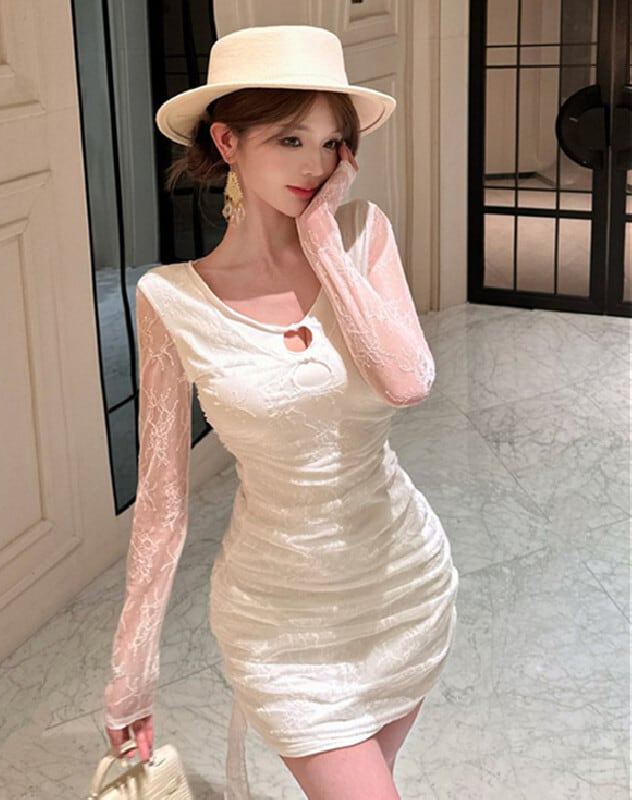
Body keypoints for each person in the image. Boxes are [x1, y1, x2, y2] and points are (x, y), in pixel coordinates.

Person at [103, 25, 459, 800]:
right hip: (281, 624)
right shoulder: (170, 298)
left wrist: (323, 239)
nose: (314, 165)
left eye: (332, 144)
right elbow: (161, 503)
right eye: (289, 138)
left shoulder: (362, 237)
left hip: (402, 587)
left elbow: (408, 382)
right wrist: (131, 674)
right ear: (227, 141)